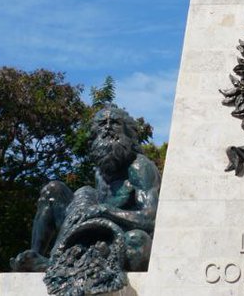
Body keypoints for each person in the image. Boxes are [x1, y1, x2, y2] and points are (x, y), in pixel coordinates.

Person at [10, 106, 158, 276]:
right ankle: (34, 256)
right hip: (91, 231)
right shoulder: (100, 170)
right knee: (57, 190)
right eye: (102, 124)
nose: (107, 127)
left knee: (136, 240)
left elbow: (150, 217)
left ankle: (53, 262)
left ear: (128, 132)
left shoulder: (139, 166)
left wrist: (105, 211)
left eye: (115, 123)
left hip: (120, 234)